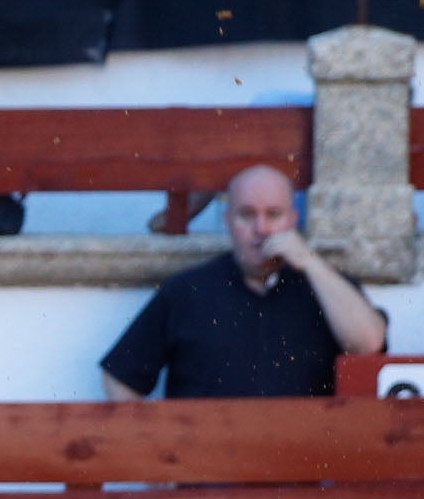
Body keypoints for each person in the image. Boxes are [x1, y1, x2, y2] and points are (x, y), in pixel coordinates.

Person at [99, 164, 388, 398]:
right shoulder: (188, 291)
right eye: (247, 215)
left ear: (293, 219)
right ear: (228, 221)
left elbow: (369, 344)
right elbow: (120, 376)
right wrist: (150, 455)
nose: (261, 228)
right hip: (206, 468)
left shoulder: (327, 286)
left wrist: (311, 263)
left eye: (273, 215)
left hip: (302, 466)